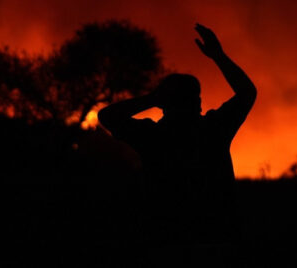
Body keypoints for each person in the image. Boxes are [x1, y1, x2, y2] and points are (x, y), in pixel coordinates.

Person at [98, 23, 256, 241]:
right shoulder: (214, 129)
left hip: (166, 234)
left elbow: (107, 116)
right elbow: (247, 92)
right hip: (217, 234)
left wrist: (152, 99)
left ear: (164, 103)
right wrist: (218, 56)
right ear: (198, 102)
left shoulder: (152, 136)